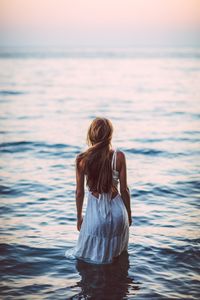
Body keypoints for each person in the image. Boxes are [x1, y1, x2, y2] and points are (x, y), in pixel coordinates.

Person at [68, 117, 132, 264]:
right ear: (110, 134)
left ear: (91, 134)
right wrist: (128, 214)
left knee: (90, 260)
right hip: (118, 213)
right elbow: (125, 190)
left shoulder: (82, 159)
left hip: (95, 214)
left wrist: (79, 218)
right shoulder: (119, 156)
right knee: (118, 258)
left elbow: (79, 193)